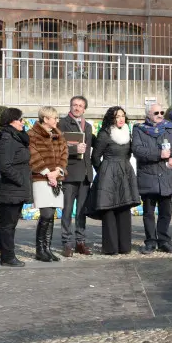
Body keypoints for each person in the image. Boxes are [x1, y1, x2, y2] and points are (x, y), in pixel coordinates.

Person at [84, 106, 140, 255]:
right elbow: (95, 157)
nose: (121, 119)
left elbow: (128, 154)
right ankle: (111, 248)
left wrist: (123, 168)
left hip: (125, 171)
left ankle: (124, 246)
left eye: (122, 116)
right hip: (108, 171)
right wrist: (103, 171)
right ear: (111, 118)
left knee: (124, 208)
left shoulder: (128, 132)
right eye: (117, 116)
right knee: (108, 209)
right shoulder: (104, 134)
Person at [132, 103, 172, 254]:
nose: (160, 115)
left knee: (166, 212)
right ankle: (150, 242)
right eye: (156, 113)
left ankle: (164, 241)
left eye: (162, 112)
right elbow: (137, 150)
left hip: (167, 176)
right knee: (149, 213)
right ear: (148, 115)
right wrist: (158, 154)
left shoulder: (170, 127)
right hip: (148, 176)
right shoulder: (139, 129)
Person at [0, 107, 31, 267]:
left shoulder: (17, 137)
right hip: (10, 188)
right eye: (20, 120)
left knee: (11, 224)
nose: (23, 123)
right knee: (7, 225)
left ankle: (9, 255)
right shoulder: (7, 139)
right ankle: (7, 257)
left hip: (16, 189)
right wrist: (20, 179)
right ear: (11, 121)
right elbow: (4, 165)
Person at [28, 106, 68, 263]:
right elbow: (33, 155)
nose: (57, 120)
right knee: (46, 214)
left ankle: (47, 249)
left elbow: (64, 154)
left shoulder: (59, 136)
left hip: (56, 178)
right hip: (41, 178)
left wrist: (58, 171)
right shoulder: (32, 135)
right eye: (55, 118)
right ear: (45, 119)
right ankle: (40, 249)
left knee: (51, 215)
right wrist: (47, 172)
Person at [58, 96, 95, 257]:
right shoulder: (62, 124)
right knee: (67, 210)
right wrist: (74, 150)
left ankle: (80, 242)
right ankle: (67, 243)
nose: (77, 108)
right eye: (74, 105)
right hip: (70, 173)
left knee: (82, 211)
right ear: (70, 106)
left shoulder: (87, 126)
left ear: (84, 109)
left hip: (85, 174)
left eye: (80, 105)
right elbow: (58, 146)